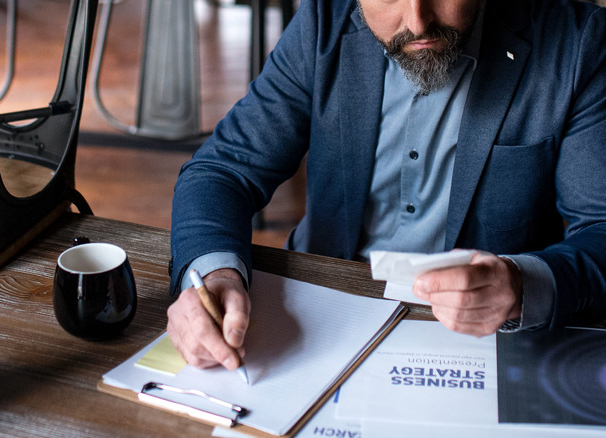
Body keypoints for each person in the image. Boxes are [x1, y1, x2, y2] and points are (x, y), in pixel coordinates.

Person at [166, 0, 606, 372]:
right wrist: (215, 275)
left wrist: (520, 286)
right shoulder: (325, 20)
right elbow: (224, 170)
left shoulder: (579, 42)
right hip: (319, 314)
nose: (418, 22)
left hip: (489, 342)